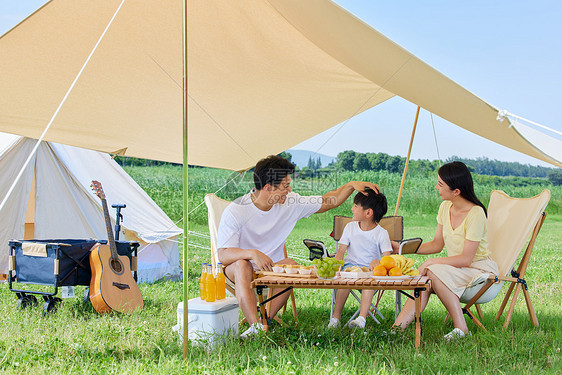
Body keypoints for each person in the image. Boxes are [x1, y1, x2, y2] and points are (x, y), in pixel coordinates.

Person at [217, 155, 380, 338]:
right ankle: (255, 325)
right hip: (237, 268)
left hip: (272, 267)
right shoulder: (237, 209)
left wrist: (350, 185)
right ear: (268, 188)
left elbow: (328, 201)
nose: (289, 190)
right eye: (285, 186)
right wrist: (253, 254)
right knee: (242, 265)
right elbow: (223, 254)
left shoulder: (290, 202)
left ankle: (264, 322)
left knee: (291, 264)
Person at [392, 161, 498, 341]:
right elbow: (436, 245)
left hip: (478, 271)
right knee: (427, 277)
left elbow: (466, 258)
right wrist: (402, 248)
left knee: (431, 271)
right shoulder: (445, 207)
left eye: (441, 184)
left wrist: (431, 262)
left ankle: (461, 328)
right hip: (457, 270)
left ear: (456, 191)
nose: (436, 187)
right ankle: (396, 330)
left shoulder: (476, 214)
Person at [328, 189, 392, 329]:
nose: (352, 208)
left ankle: (361, 319)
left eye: (356, 206)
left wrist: (378, 262)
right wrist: (337, 266)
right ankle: (335, 318)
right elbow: (341, 251)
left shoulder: (382, 233)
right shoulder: (350, 227)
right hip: (350, 267)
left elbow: (387, 258)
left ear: (368, 213)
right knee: (346, 279)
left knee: (368, 282)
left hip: (370, 271)